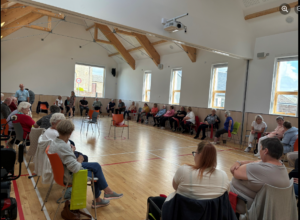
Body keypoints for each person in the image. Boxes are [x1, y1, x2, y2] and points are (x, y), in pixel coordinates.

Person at [48, 119, 123, 208]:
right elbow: (75, 168)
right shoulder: (63, 147)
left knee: (96, 165)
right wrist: (79, 160)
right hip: (68, 175)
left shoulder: (55, 142)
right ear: (70, 132)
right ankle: (101, 197)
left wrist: (71, 152)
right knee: (94, 173)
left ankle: (107, 193)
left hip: (63, 172)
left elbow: (65, 159)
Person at [148, 142, 230, 214]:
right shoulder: (224, 176)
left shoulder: (184, 171)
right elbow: (225, 196)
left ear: (200, 155)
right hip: (211, 216)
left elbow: (175, 187)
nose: (194, 156)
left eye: (195, 153)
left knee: (152, 200)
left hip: (183, 214)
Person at [229, 138, 290, 214]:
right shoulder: (281, 165)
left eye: (260, 149)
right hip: (269, 208)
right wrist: (241, 162)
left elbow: (234, 171)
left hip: (250, 207)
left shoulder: (257, 169)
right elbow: (256, 161)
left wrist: (237, 163)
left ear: (265, 151)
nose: (259, 151)